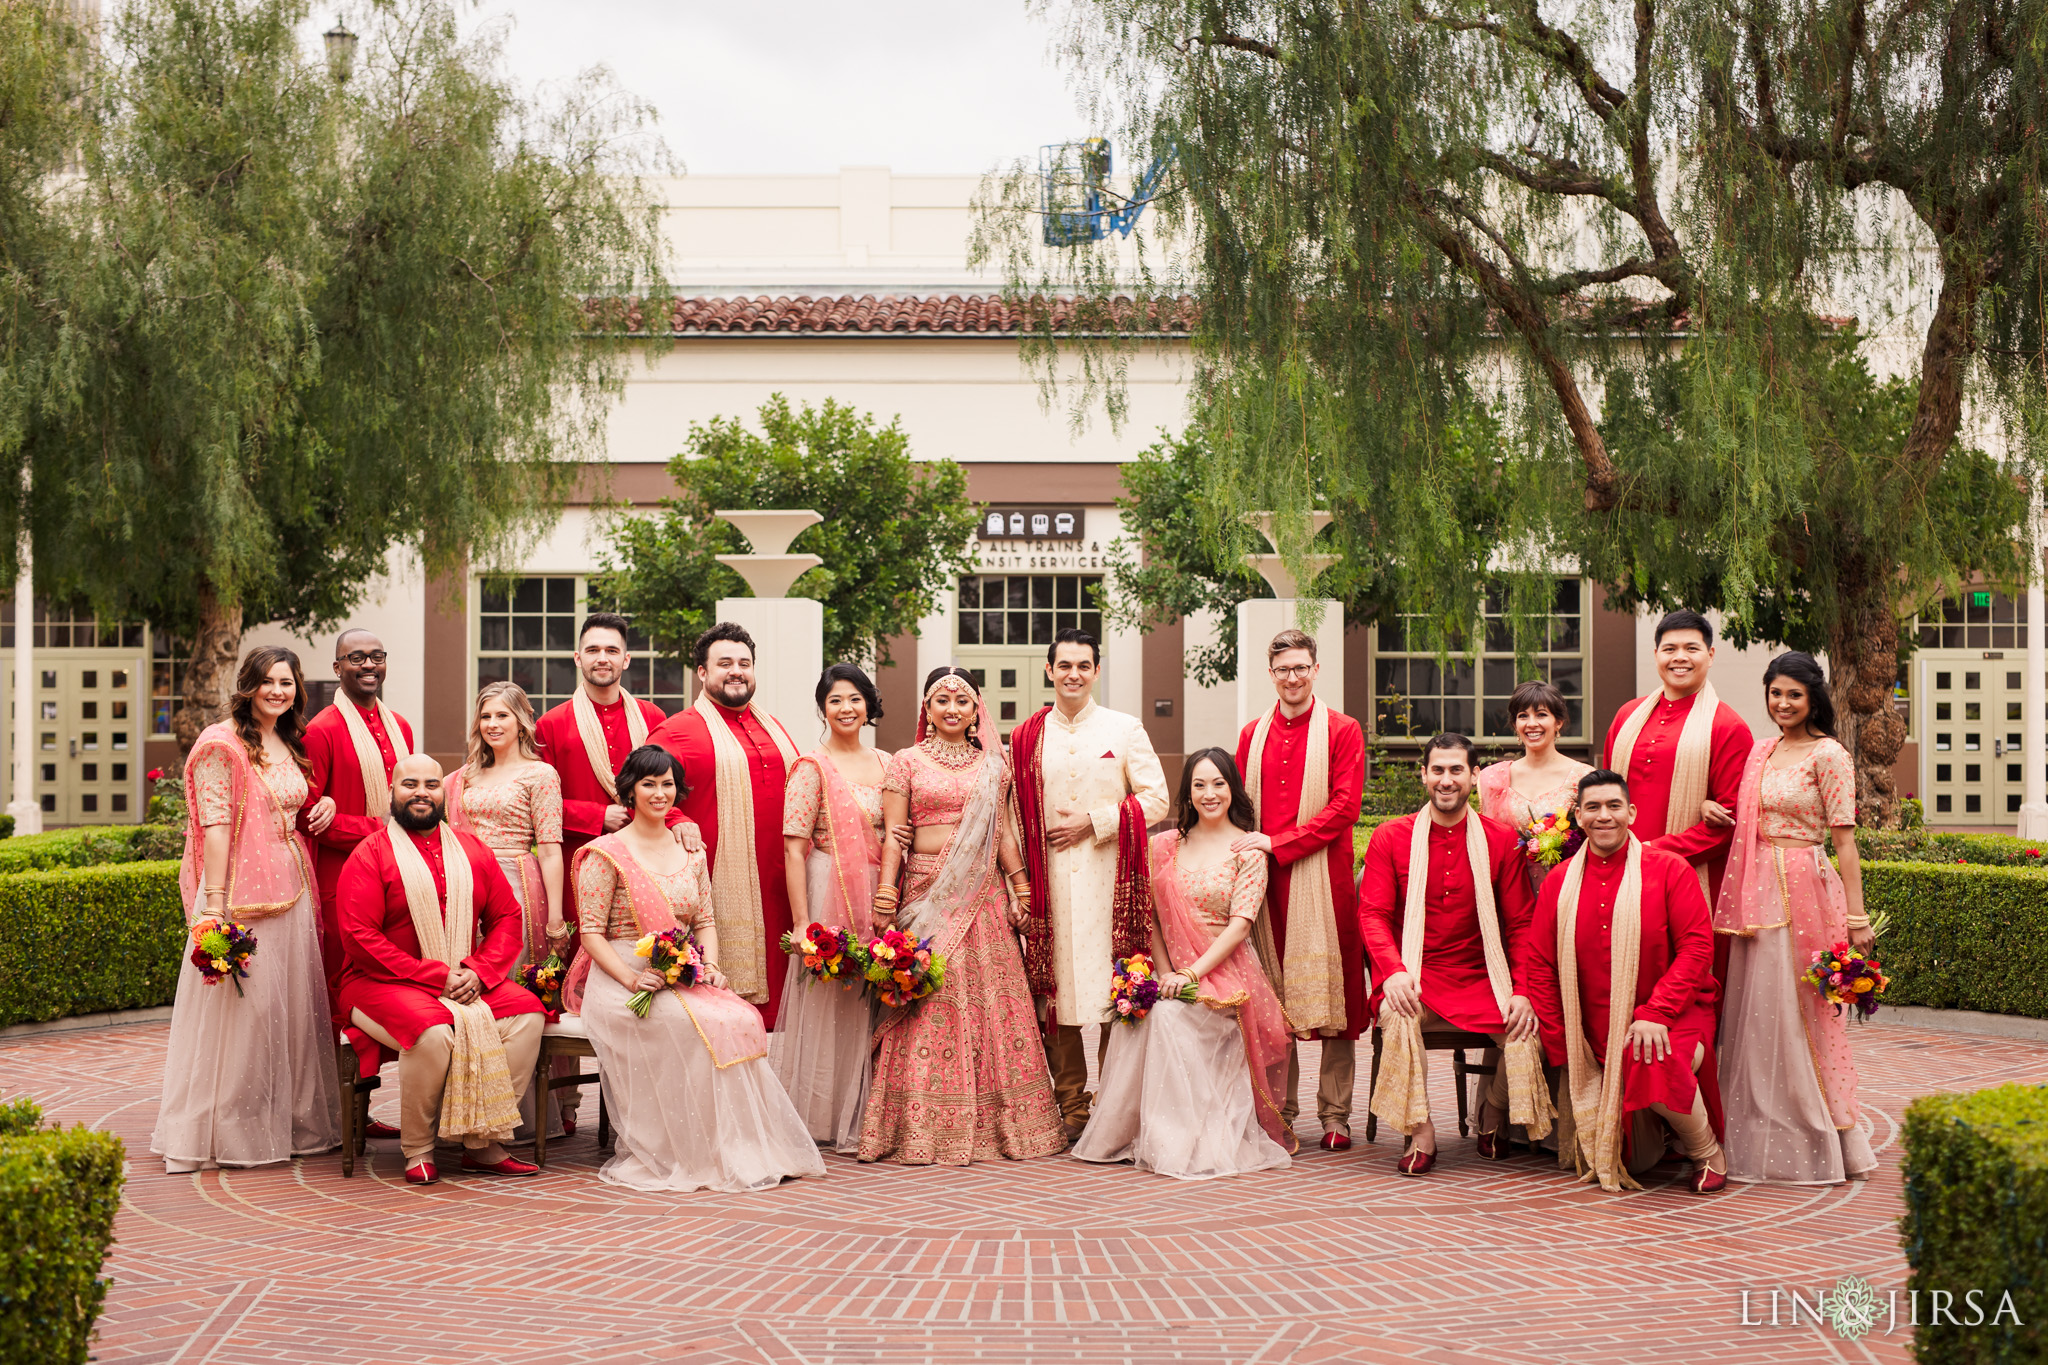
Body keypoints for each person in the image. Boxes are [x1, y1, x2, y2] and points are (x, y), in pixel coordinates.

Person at [562, 746, 825, 1192]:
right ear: (629, 790)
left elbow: (703, 921)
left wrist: (714, 966)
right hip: (621, 976)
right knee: (691, 1024)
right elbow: (591, 935)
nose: (659, 792)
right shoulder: (604, 854)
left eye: (667, 784)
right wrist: (631, 979)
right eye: (648, 783)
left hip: (683, 967)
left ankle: (739, 1145)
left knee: (739, 1016)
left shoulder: (691, 851)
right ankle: (686, 1149)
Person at [860, 668, 1066, 1165]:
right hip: (925, 890)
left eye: (962, 701)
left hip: (985, 898)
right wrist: (887, 894)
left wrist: (1021, 890)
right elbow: (894, 834)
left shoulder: (994, 765)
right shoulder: (905, 762)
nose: (952, 709)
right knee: (928, 1001)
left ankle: (1008, 1126)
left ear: (977, 710)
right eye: (941, 700)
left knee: (993, 1004)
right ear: (926, 710)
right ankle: (920, 1126)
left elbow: (1005, 836)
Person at [151, 647, 341, 1172]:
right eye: (267, 682)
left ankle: (291, 1122)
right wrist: (213, 908)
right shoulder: (221, 745)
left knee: (291, 1012)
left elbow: (290, 807)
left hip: (292, 890)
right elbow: (213, 826)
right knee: (246, 1015)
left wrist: (319, 804)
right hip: (239, 897)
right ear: (248, 686)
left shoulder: (287, 739)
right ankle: (226, 1129)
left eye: (287, 682)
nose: (278, 691)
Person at [1075, 749, 1295, 1179]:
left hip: (1227, 975)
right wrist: (1162, 974)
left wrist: (1192, 974)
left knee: (1169, 1018)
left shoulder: (1247, 851)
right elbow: (1153, 918)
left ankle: (1176, 1139)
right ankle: (1129, 1133)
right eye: (1199, 785)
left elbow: (1239, 927)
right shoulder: (1164, 845)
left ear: (1233, 789)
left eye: (1218, 784)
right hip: (1172, 972)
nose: (1209, 793)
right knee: (1141, 1012)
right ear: (1187, 793)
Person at [335, 755, 546, 1185]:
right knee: (433, 1031)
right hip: (376, 982)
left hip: (462, 976)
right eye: (409, 784)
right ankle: (419, 1148)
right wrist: (436, 976)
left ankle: (482, 1140)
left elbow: (507, 917)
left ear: (443, 793)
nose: (421, 792)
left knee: (528, 1013)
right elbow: (360, 938)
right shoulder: (370, 853)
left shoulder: (471, 849)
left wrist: (481, 971)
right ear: (391, 792)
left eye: (431, 784)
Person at [1714, 652, 1878, 1184]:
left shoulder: (1829, 755)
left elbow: (1845, 841)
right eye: (1774, 693)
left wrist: (1857, 917)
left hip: (1805, 883)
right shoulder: (1762, 751)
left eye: (1793, 695)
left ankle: (1825, 1129)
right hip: (1755, 888)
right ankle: (1761, 1122)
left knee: (1802, 1007)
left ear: (1813, 699)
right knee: (1758, 1008)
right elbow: (1749, 821)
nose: (1781, 704)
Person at [1523, 771, 1728, 1194]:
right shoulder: (1560, 881)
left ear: (1631, 812)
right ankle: (1660, 1127)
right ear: (1577, 817)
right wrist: (1564, 1043)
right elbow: (1540, 963)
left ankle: (1706, 1151)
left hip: (1674, 1016)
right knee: (1632, 1158)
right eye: (1593, 808)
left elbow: (1696, 950)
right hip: (1593, 1027)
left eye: (1614, 806)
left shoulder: (1669, 869)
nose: (1604, 816)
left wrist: (1656, 1013)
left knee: (1650, 1058)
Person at [1359, 734, 1548, 1174]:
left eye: (1456, 770)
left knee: (1530, 1028)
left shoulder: (1501, 840)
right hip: (1416, 974)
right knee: (1397, 1015)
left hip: (1484, 976)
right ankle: (1421, 1130)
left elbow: (1520, 924)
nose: (1447, 780)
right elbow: (1372, 915)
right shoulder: (1392, 837)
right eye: (1438, 770)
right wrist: (1393, 971)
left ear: (1474, 776)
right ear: (1423, 774)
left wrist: (1521, 990)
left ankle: (1493, 1114)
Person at [1010, 628, 1171, 1141]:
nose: (1073, 674)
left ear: (1097, 671)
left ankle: (1112, 1103)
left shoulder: (1124, 729)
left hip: (1111, 882)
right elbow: (1011, 812)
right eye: (1064, 666)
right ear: (1049, 671)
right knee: (1054, 996)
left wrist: (1096, 821)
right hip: (1049, 883)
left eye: (1084, 665)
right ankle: (1073, 1106)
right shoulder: (1026, 737)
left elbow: (1158, 799)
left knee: (1111, 993)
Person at [1232, 628, 1368, 1151]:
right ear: (1272, 676)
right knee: (1273, 999)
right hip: (1266, 886)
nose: (1292, 677)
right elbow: (1241, 807)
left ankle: (1335, 1116)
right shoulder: (1251, 734)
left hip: (1324, 884)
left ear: (1316, 670)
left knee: (1337, 1005)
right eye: (1283, 669)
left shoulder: (1342, 729)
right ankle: (1280, 1111)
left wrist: (1278, 842)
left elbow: (1344, 808)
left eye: (1301, 668)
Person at [647, 622, 802, 1030]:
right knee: (725, 1014)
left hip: (783, 880)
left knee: (788, 1006)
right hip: (720, 881)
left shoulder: (774, 726)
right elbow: (639, 790)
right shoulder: (675, 730)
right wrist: (676, 817)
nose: (737, 671)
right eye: (725, 663)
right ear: (702, 672)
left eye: (745, 663)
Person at [444, 681, 573, 1138]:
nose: (493, 724)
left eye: (502, 715)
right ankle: (464, 1106)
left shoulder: (541, 775)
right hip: (466, 889)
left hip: (518, 884)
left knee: (510, 995)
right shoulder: (464, 778)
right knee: (467, 991)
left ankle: (509, 1118)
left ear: (522, 720)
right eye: (486, 717)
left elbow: (552, 848)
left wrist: (556, 916)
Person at [774, 664, 890, 1151]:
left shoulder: (887, 762)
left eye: (855, 699)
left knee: (875, 997)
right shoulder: (810, 766)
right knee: (830, 1000)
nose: (846, 708)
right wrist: (803, 923)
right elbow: (793, 848)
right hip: (830, 886)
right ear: (822, 708)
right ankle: (822, 1114)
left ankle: (868, 1111)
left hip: (881, 889)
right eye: (835, 700)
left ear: (868, 706)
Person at [1601, 610, 1753, 907]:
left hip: (1689, 877)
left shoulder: (1727, 726)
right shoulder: (1627, 716)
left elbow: (1728, 824)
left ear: (1710, 655)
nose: (1679, 657)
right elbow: (1604, 791)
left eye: (1691, 649)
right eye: (1670, 649)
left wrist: (1650, 852)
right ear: (1656, 654)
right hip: (1617, 867)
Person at [303, 629, 416, 1029]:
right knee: (341, 974)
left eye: (377, 656)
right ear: (337, 668)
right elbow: (308, 815)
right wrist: (378, 827)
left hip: (396, 870)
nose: (369, 665)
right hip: (343, 876)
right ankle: (343, 1086)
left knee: (394, 975)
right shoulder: (321, 729)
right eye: (356, 658)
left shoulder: (400, 726)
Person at [533, 612, 671, 864]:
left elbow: (668, 787)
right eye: (593, 650)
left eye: (612, 650)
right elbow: (538, 804)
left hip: (645, 856)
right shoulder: (550, 725)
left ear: (626, 659)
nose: (602, 658)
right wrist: (597, 816)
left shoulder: (653, 717)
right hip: (578, 857)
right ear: (578, 658)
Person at [1477, 680, 1594, 896]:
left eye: (1541, 714)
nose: (1532, 723)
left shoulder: (1583, 778)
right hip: (1508, 894)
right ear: (1515, 725)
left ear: (1558, 722)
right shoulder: (1492, 779)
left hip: (1566, 892)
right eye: (1523, 716)